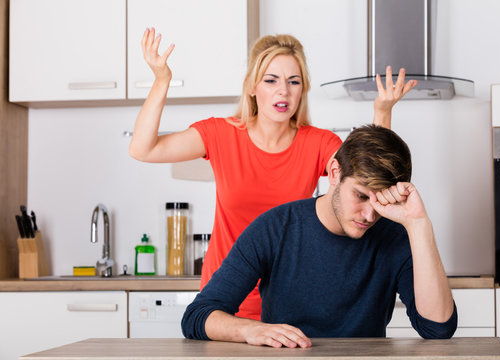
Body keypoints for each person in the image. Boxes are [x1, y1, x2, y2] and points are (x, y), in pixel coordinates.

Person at [129, 29, 418, 320]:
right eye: (271, 80)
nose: (284, 91)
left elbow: (369, 173)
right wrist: (161, 80)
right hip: (226, 301)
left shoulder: (317, 143)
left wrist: (382, 111)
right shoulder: (219, 133)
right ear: (252, 86)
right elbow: (143, 149)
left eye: (294, 82)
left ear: (302, 90)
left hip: (287, 301)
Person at [181, 125, 457, 347]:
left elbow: (437, 328)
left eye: (380, 203)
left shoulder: (395, 237)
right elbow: (198, 316)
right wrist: (251, 330)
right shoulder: (275, 227)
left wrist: (419, 224)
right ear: (335, 173)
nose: (369, 215)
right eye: (361, 196)